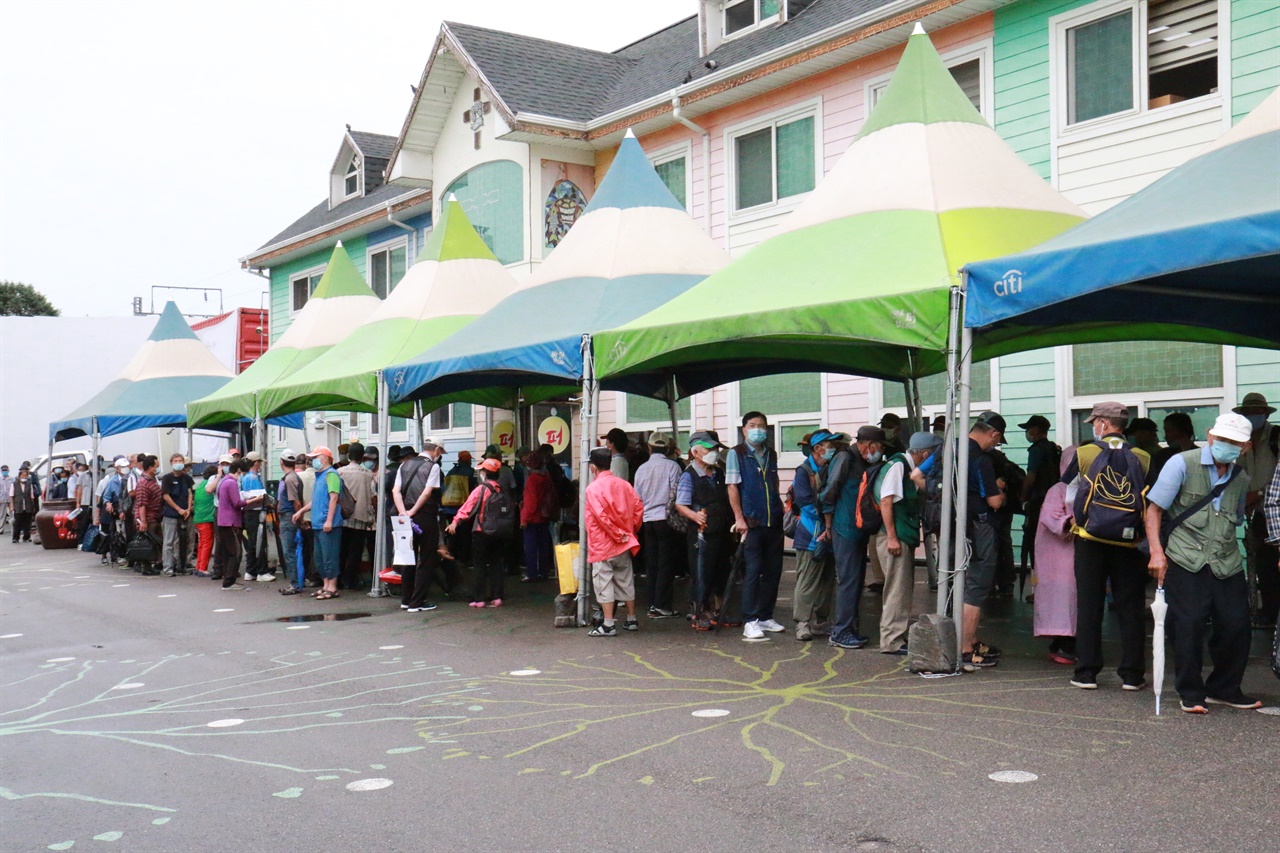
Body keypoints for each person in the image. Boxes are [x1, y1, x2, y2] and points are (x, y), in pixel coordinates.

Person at [1145, 412, 1260, 713]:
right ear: (1210, 436)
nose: (1227, 445)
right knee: (1188, 624)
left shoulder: (1241, 477)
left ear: (1245, 447)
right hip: (1185, 557)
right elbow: (1154, 510)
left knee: (1237, 624)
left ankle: (1224, 687)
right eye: (1222, 439)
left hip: (1226, 560)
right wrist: (1157, 552)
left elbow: (1233, 517)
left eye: (1235, 443)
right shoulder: (1181, 463)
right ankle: (1191, 692)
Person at [1068, 402, 1151, 691]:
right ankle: (1132, 675)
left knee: (1089, 604)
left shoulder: (1085, 452)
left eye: (1095, 421)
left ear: (1103, 423)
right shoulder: (1142, 457)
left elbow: (1068, 493)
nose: (1093, 425)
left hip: (1090, 539)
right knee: (1131, 606)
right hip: (1128, 541)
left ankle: (1087, 672)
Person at [820, 425, 885, 649]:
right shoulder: (845, 458)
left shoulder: (863, 461)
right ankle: (841, 632)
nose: (879, 452)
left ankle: (849, 628)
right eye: (878, 447)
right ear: (868, 445)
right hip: (843, 528)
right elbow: (829, 491)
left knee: (856, 580)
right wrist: (828, 525)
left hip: (857, 529)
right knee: (848, 580)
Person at [728, 411, 786, 641]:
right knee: (753, 571)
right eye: (752, 425)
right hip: (751, 522)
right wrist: (739, 518)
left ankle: (765, 616)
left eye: (761, 425)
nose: (758, 429)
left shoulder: (770, 453)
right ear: (744, 429)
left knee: (773, 571)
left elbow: (774, 481)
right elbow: (732, 487)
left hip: (773, 520)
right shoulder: (737, 453)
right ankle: (750, 620)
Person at [873, 431, 932, 655]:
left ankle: (896, 636)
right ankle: (892, 640)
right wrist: (891, 537)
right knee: (896, 590)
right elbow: (886, 501)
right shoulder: (898, 466)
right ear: (924, 454)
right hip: (893, 537)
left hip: (898, 535)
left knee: (900, 589)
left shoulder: (902, 465)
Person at [958, 413, 1007, 671]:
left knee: (959, 582)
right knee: (976, 586)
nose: (994, 446)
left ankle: (971, 640)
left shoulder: (947, 450)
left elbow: (918, 477)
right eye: (997, 442)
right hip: (979, 527)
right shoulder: (980, 459)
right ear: (994, 434)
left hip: (950, 526)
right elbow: (995, 502)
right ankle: (966, 647)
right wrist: (999, 487)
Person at [583, 447, 644, 637]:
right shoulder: (625, 485)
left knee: (604, 583)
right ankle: (631, 619)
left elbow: (601, 517)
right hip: (625, 543)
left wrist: (618, 534)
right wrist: (629, 532)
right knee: (625, 580)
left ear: (593, 467)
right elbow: (638, 508)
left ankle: (608, 624)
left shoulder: (592, 488)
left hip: (603, 544)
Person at [675, 432, 732, 630]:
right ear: (696, 451)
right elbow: (680, 504)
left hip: (721, 530)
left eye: (715, 449)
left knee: (721, 571)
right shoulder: (688, 476)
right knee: (701, 573)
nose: (714, 453)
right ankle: (699, 613)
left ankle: (719, 612)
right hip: (701, 533)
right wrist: (695, 515)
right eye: (709, 449)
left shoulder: (718, 473)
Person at [791, 430, 840, 641]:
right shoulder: (803, 471)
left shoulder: (830, 467)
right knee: (807, 580)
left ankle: (821, 621)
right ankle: (802, 623)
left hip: (830, 533)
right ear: (818, 448)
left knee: (828, 579)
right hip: (811, 534)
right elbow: (804, 503)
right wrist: (825, 521)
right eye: (829, 444)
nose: (833, 448)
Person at [1236, 393, 1279, 627]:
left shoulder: (1276, 436)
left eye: (1256, 412)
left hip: (1275, 511)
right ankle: (1270, 611)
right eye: (1248, 413)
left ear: (1265, 414)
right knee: (1263, 564)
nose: (1252, 416)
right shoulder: (1242, 441)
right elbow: (1240, 475)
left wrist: (1259, 494)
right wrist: (1245, 500)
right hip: (1256, 514)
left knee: (1274, 562)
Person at [1034, 446, 1078, 665]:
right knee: (1064, 597)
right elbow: (1051, 518)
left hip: (1071, 552)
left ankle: (1066, 642)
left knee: (1072, 598)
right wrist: (1070, 522)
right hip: (1058, 554)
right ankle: (1064, 644)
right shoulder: (1058, 489)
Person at [447, 458, 513, 607]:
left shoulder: (481, 489)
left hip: (482, 531)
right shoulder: (500, 489)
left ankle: (479, 599)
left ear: (484, 473)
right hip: (499, 531)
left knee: (480, 565)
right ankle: (497, 597)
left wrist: (455, 522)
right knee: (496, 564)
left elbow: (467, 507)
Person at [631, 431, 681, 617]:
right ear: (667, 448)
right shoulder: (673, 467)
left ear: (649, 448)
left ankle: (652, 602)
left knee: (651, 563)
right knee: (666, 563)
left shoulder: (641, 469)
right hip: (666, 519)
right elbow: (676, 494)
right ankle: (663, 605)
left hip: (647, 520)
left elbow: (637, 498)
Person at [393, 438, 446, 613]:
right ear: (437, 449)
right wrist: (414, 511)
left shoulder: (404, 465)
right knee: (427, 559)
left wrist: (403, 511)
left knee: (407, 557)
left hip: (404, 516)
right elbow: (427, 492)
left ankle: (406, 599)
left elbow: (396, 491)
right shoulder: (434, 467)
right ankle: (417, 601)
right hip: (424, 516)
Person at [1018, 415, 1060, 578]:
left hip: (1038, 502)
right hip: (1054, 502)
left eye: (1028, 429)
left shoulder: (1036, 450)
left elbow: (1031, 476)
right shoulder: (1053, 449)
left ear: (1035, 430)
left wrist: (1023, 497)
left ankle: (1038, 586)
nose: (1027, 433)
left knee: (1035, 544)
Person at [338, 442, 376, 591]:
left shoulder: (340, 472)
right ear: (362, 457)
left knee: (342, 550)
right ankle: (350, 580)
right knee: (355, 552)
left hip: (342, 517)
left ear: (348, 456)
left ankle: (339, 579)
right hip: (361, 517)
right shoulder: (368, 474)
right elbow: (373, 496)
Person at [519, 450, 558, 583]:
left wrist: (524, 518)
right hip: (544, 515)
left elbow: (531, 502)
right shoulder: (546, 476)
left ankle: (532, 573)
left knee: (530, 547)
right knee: (543, 545)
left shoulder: (531, 480)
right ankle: (543, 571)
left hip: (533, 518)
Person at [215, 458, 250, 589]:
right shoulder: (232, 483)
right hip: (231, 522)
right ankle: (229, 581)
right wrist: (253, 500)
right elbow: (237, 503)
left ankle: (228, 578)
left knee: (227, 551)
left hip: (222, 520)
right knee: (235, 552)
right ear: (239, 471)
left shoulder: (223, 482)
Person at [159, 453, 194, 577]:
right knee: (169, 541)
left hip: (185, 514)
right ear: (171, 463)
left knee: (187, 540)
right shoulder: (167, 478)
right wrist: (178, 509)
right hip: (171, 513)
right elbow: (166, 495)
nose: (178, 463)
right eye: (176, 461)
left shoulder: (187, 478)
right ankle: (168, 567)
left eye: (180, 461)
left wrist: (188, 509)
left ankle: (184, 565)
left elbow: (190, 493)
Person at [240, 452, 271, 582]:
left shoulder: (246, 477)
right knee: (258, 542)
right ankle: (261, 571)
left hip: (249, 513)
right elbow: (256, 498)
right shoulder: (252, 479)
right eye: (259, 462)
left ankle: (251, 570)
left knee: (252, 542)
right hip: (256, 512)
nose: (260, 465)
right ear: (255, 462)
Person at [440, 449, 476, 563]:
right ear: (468, 461)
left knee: (452, 534)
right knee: (465, 535)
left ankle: (452, 556)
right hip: (464, 508)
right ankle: (465, 559)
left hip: (449, 508)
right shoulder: (470, 472)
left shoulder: (451, 471)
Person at [275, 451, 303, 593]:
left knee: (288, 551)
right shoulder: (292, 477)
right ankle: (295, 582)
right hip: (289, 515)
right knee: (291, 550)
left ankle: (295, 584)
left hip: (288, 516)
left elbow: (296, 502)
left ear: (281, 462)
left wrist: (298, 518)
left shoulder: (289, 479)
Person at [1151, 412, 1197, 483]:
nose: (1166, 436)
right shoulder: (1161, 456)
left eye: (1169, 431)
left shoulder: (1199, 455)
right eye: (1166, 431)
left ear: (1183, 431)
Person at [192, 464, 217, 577]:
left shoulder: (200, 485)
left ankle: (199, 566)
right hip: (207, 517)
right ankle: (203, 568)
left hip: (198, 518)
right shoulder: (211, 485)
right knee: (207, 543)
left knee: (202, 543)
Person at [11, 464, 38, 543]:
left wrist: (32, 506)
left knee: (27, 523)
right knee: (18, 523)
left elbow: (32, 496)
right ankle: (15, 538)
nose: (24, 477)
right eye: (22, 476)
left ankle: (26, 537)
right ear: (19, 476)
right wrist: (12, 506)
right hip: (18, 506)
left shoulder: (29, 484)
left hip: (27, 505)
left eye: (25, 476)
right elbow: (11, 496)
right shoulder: (14, 484)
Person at [71, 461, 94, 542]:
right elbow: (79, 489)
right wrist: (78, 502)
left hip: (95, 503)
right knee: (83, 523)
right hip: (85, 502)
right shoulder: (83, 475)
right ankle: (80, 541)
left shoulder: (100, 474)